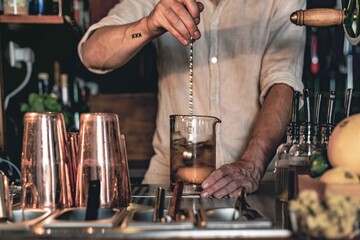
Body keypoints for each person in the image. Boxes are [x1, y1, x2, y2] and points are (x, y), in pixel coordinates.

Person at [78, 0, 306, 198]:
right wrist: (147, 26)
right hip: (167, 184)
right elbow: (92, 54)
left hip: (252, 186)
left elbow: (282, 83)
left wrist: (252, 165)